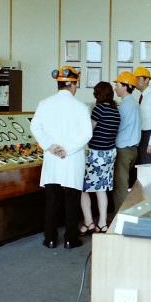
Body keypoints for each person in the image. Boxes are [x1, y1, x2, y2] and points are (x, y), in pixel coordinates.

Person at [30, 66, 92, 249]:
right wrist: (68, 150)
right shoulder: (81, 106)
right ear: (73, 85)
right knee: (72, 200)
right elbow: (87, 134)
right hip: (71, 160)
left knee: (52, 201)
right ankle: (70, 239)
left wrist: (50, 146)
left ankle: (49, 238)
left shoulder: (44, 103)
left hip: (52, 159)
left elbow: (35, 127)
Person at [80, 82, 120, 235]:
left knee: (83, 188)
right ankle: (102, 223)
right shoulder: (115, 110)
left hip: (96, 155)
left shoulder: (99, 108)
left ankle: (89, 222)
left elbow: (89, 131)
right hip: (109, 153)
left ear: (98, 94)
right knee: (101, 189)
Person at [113, 71, 141, 213]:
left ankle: (120, 218)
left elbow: (117, 127)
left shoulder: (124, 106)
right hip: (133, 150)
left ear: (125, 86)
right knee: (126, 184)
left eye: (117, 84)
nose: (115, 88)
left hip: (123, 150)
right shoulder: (134, 104)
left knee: (121, 186)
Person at [133, 67, 151, 164]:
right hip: (142, 135)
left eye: (138, 79)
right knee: (141, 166)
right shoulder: (142, 96)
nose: (135, 81)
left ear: (146, 80)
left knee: (148, 166)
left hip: (149, 135)